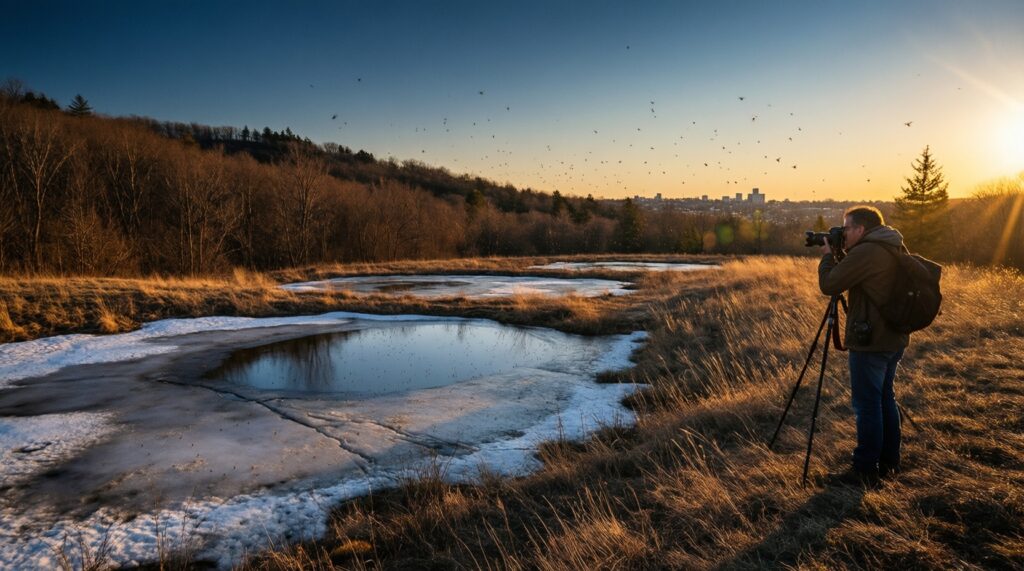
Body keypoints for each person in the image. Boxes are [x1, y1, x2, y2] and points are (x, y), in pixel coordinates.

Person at [818, 205, 909, 485]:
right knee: (884, 399)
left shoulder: (867, 251)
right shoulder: (891, 244)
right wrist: (842, 254)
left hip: (872, 341)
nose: (843, 234)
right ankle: (889, 462)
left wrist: (827, 257)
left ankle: (865, 469)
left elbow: (830, 284)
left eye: (846, 228)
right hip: (893, 337)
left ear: (860, 229)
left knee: (867, 405)